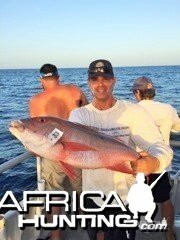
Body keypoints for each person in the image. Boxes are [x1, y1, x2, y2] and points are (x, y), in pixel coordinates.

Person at [68, 59, 173, 240]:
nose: (100, 84)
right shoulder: (79, 115)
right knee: (96, 236)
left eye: (105, 78)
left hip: (124, 198)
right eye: (94, 79)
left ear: (114, 80)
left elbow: (159, 145)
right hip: (92, 197)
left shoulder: (133, 111)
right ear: (89, 83)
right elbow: (70, 151)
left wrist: (153, 162)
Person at [29, 63, 88, 240]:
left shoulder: (35, 100)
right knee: (82, 190)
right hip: (76, 149)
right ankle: (85, 227)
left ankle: (56, 235)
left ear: (41, 80)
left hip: (52, 151)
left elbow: (33, 131)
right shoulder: (74, 91)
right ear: (58, 77)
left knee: (53, 193)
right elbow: (88, 114)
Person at [132, 76, 180, 240]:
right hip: (160, 163)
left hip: (138, 165)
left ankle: (134, 232)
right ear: (152, 92)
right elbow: (177, 127)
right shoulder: (168, 109)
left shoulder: (132, 111)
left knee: (132, 199)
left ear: (137, 92)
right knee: (165, 200)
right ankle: (169, 235)